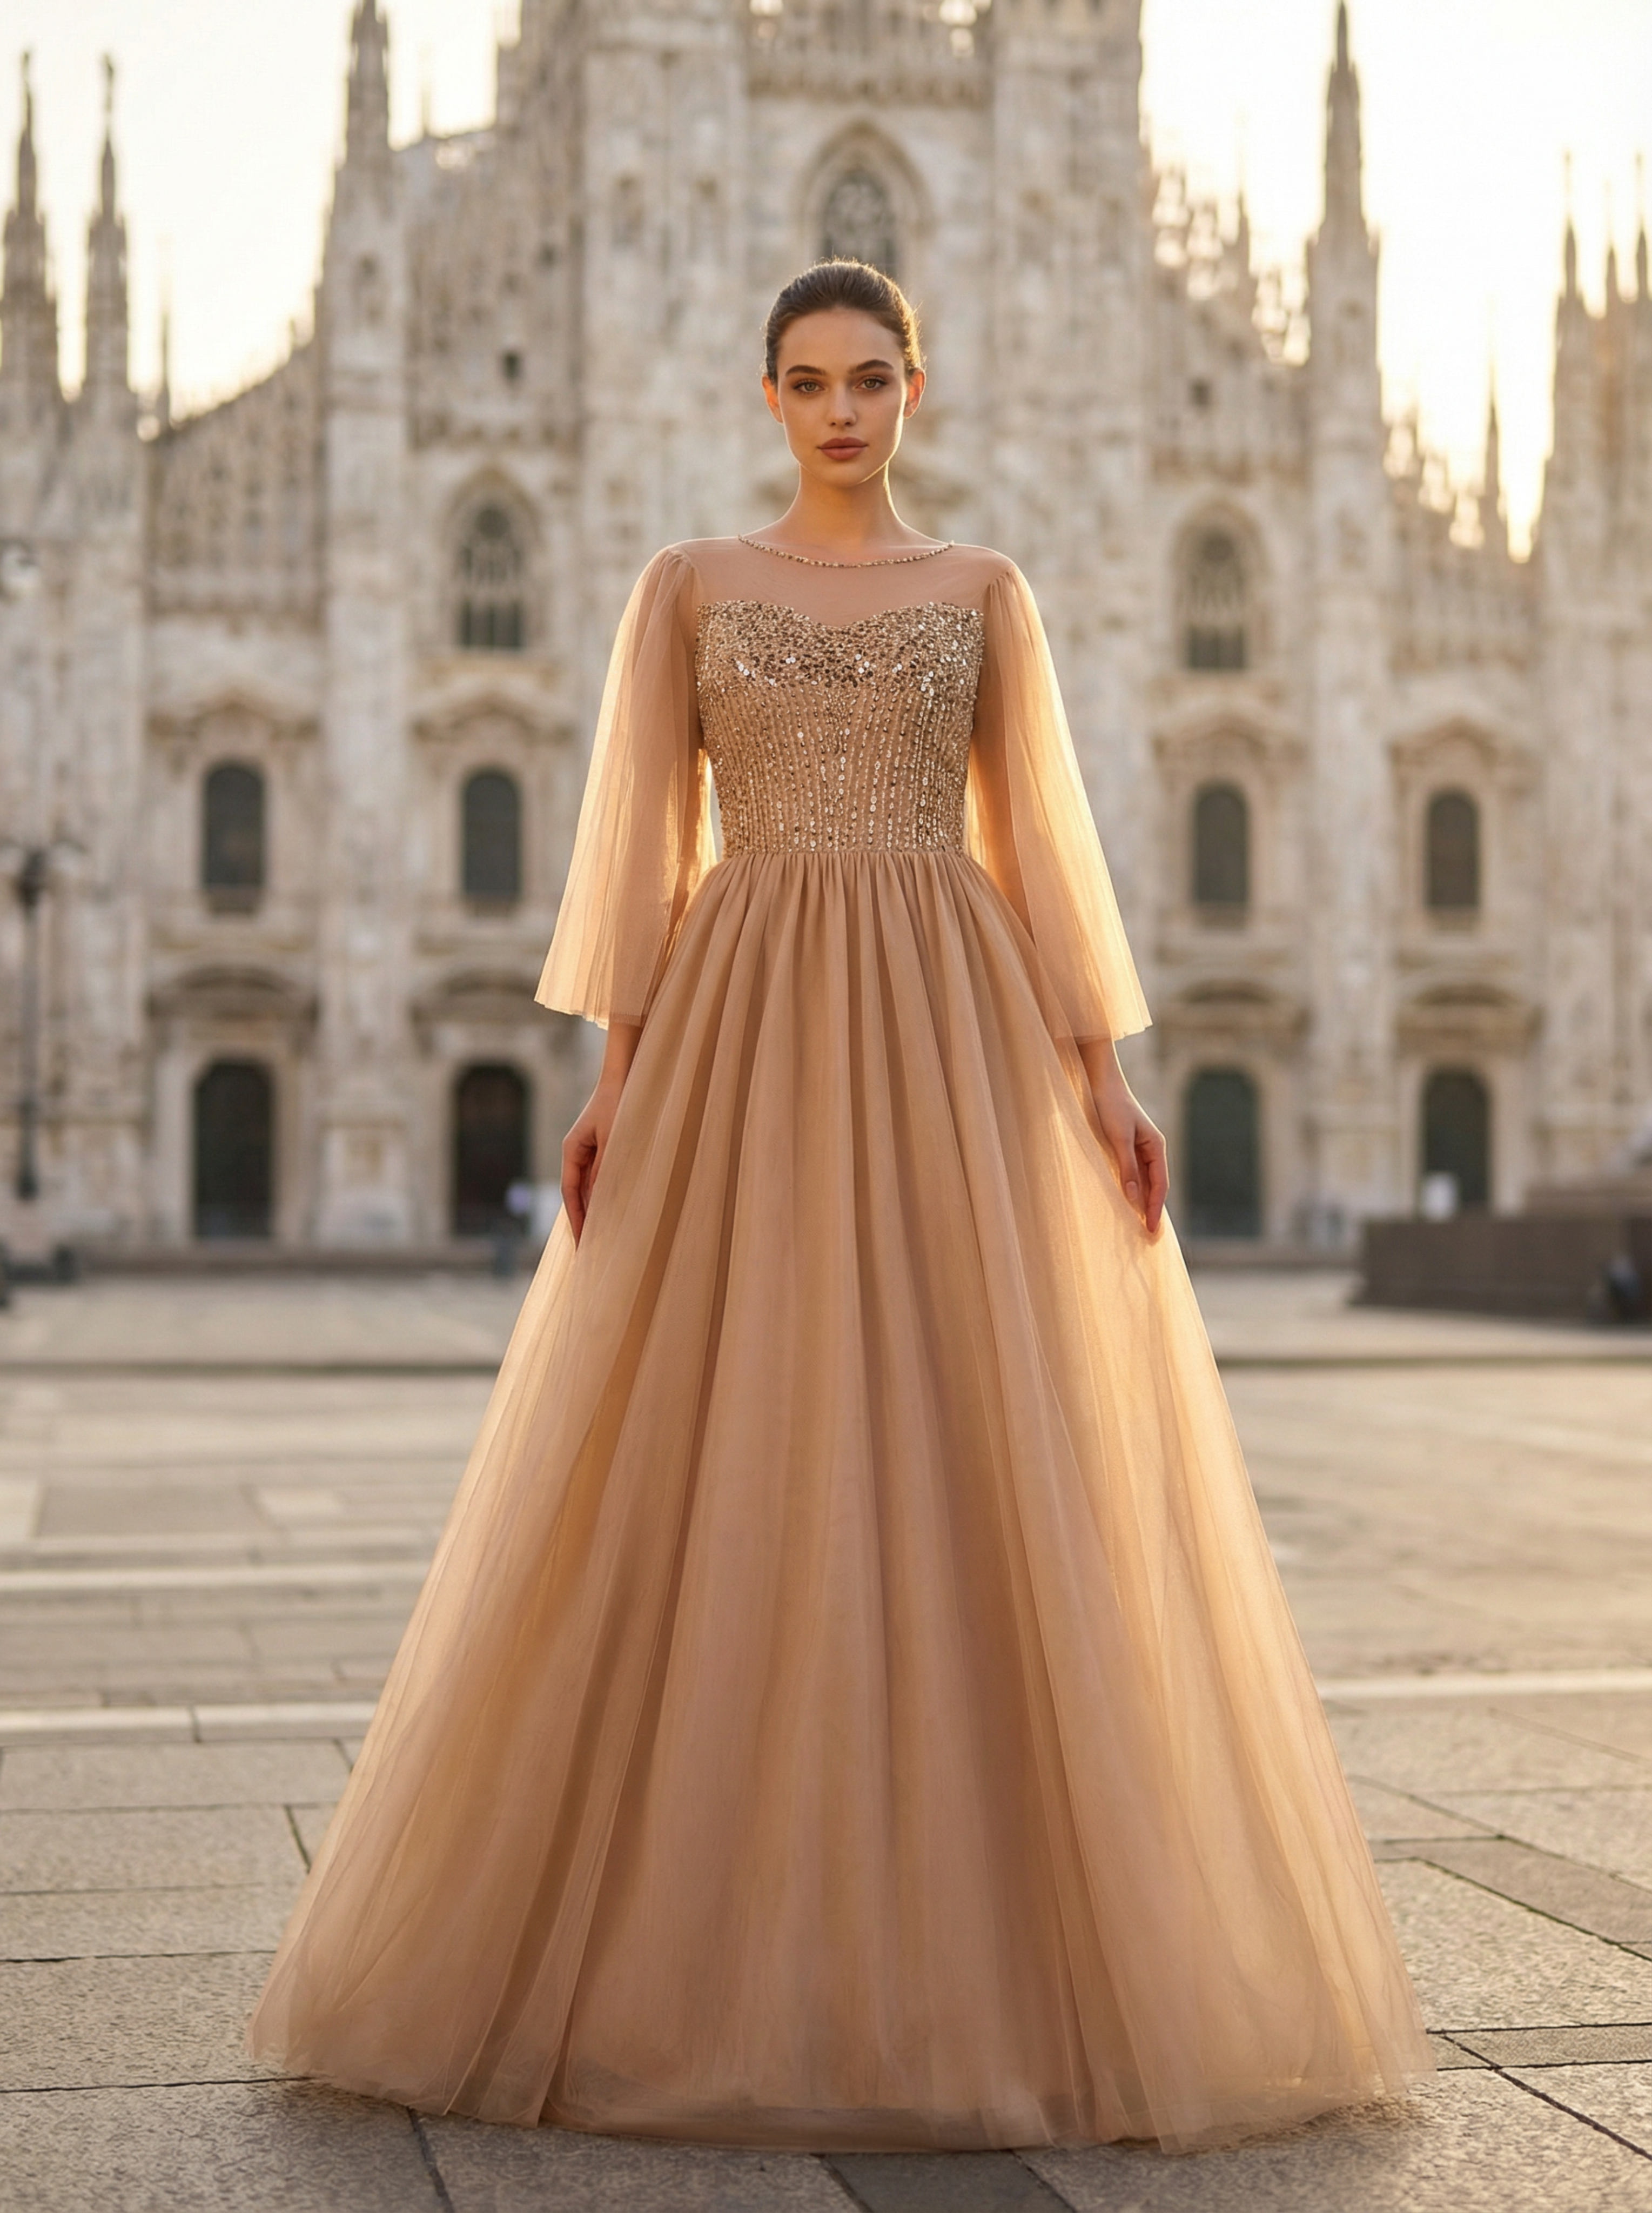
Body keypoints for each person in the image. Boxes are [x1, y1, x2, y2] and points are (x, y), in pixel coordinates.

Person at [249, 260, 1432, 2152]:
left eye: (869, 379)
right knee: (729, 1411)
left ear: (916, 387)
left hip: (951, 1013)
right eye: (806, 381)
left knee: (972, 1417)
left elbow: (1038, 844)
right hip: (740, 1010)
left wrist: (1103, 1078)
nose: (839, 411)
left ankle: (988, 1916)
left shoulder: (984, 595)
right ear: (766, 394)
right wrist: (616, 1083)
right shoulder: (686, 589)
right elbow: (643, 853)